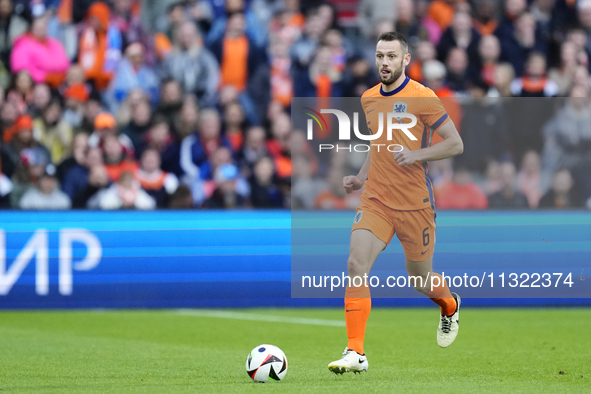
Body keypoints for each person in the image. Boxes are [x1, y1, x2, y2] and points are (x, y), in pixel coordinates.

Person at [328, 32, 464, 375]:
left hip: (415, 204)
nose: (383, 63)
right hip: (376, 199)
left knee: (419, 279)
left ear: (405, 60)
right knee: (356, 264)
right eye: (379, 56)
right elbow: (379, 146)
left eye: (391, 56)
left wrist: (416, 154)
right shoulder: (369, 98)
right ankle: (355, 353)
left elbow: (455, 144)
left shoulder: (423, 97)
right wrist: (360, 178)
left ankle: (449, 305)